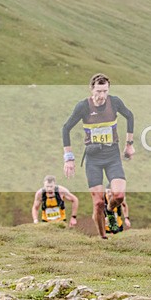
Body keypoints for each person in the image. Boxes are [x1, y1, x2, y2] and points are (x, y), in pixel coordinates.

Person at [62, 73, 134, 239]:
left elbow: (130, 116)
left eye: (105, 91)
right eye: (99, 91)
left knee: (119, 195)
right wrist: (69, 158)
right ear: (91, 89)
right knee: (98, 202)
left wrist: (129, 145)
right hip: (93, 158)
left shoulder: (114, 102)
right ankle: (103, 237)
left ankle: (110, 211)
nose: (102, 95)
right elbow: (66, 128)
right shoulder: (83, 107)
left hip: (112, 154)